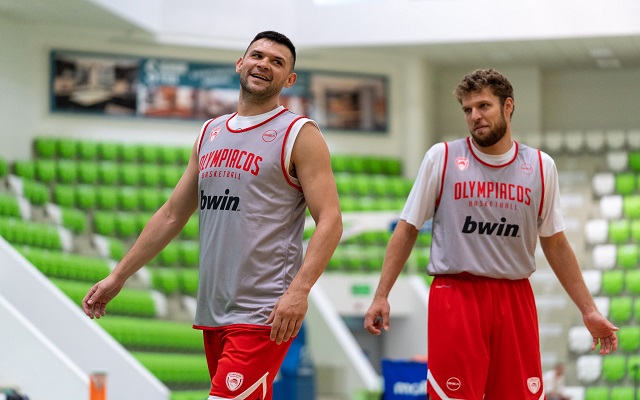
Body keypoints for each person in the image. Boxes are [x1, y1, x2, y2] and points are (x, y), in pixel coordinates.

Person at [82, 31, 343, 400]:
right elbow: (172, 214)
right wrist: (119, 275)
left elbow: (331, 219)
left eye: (277, 62)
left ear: (289, 80)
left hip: (264, 311)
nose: (264, 64)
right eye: (257, 55)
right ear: (240, 63)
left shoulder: (299, 133)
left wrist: (299, 291)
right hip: (213, 308)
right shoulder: (210, 132)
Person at [364, 68, 618, 399]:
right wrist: (382, 294)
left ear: (508, 106)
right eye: (468, 109)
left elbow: (555, 244)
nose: (475, 116)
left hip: (515, 297)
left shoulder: (541, 166)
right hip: (457, 294)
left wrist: (588, 309)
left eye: (483, 106)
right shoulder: (442, 158)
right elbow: (407, 228)